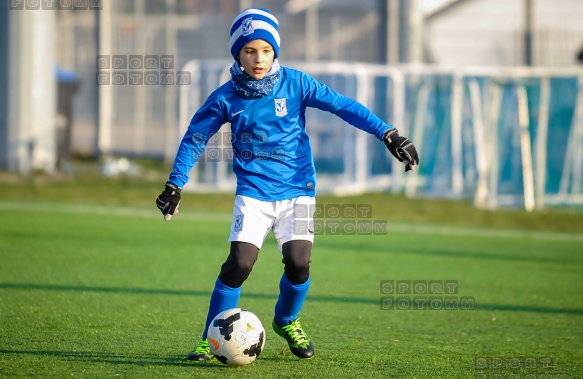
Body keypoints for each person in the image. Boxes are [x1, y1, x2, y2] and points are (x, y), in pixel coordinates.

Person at [156, 7, 419, 361]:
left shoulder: (296, 83)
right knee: (240, 264)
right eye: (250, 51)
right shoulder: (224, 97)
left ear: (275, 51)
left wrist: (387, 132)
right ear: (238, 54)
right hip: (253, 194)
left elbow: (343, 105)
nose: (258, 58)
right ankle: (209, 339)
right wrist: (175, 184)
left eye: (266, 50)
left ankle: (286, 319)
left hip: (297, 192)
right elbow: (195, 138)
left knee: (298, 262)